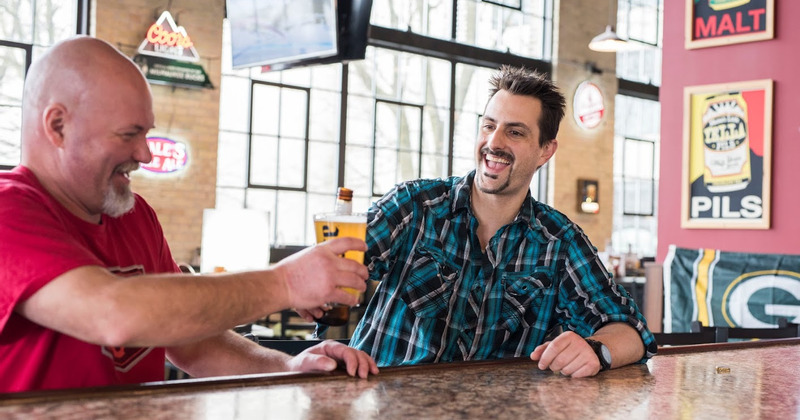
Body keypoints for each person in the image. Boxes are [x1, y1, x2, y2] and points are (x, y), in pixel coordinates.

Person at [0, 36, 378, 393]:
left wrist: (286, 366)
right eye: (129, 134)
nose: (145, 154)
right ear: (57, 126)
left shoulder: (134, 214)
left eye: (146, 133)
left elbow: (190, 343)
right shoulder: (9, 209)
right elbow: (113, 314)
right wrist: (286, 283)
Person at [337, 65, 657, 377]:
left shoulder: (560, 243)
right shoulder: (413, 206)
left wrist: (596, 349)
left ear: (545, 151)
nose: (494, 142)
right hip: (382, 404)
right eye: (489, 126)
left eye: (514, 132)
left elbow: (633, 333)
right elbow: (333, 267)